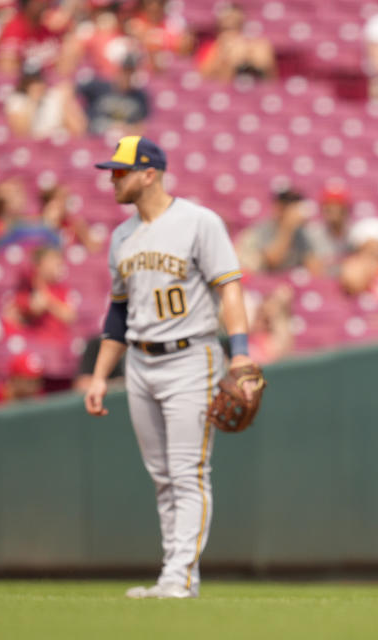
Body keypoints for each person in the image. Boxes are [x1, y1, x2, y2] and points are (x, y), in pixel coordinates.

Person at [83, 136, 261, 599]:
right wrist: (102, 374)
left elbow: (230, 288)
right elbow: (117, 314)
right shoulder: (121, 236)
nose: (112, 179)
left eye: (120, 171)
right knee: (163, 476)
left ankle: (179, 579)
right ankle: (174, 576)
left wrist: (239, 350)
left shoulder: (199, 222)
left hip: (191, 356)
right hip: (139, 361)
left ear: (149, 173)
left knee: (187, 472)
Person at [196, 3, 276, 82]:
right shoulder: (210, 46)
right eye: (227, 20)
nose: (231, 22)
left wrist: (249, 56)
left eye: (235, 22)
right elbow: (203, 77)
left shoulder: (257, 46)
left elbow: (271, 78)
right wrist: (222, 54)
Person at [78, 53, 151, 137]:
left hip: (122, 141)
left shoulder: (140, 97)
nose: (127, 76)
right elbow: (69, 91)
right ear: (118, 70)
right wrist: (81, 123)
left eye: (131, 72)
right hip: (94, 136)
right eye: (125, 71)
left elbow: (142, 127)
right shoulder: (99, 86)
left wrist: (124, 128)